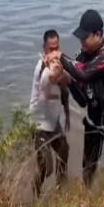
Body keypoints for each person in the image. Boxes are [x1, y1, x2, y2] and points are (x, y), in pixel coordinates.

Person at [44, 10, 104, 188]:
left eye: (84, 37)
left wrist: (60, 56)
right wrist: (66, 80)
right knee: (87, 169)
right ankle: (88, 199)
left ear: (98, 34)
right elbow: (82, 100)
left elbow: (83, 72)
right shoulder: (81, 58)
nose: (81, 42)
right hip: (93, 120)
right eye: (80, 38)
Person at [29, 30, 70, 198]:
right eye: (50, 49)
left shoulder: (58, 64)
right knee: (46, 167)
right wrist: (56, 69)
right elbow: (54, 78)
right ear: (44, 49)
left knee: (64, 151)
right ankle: (35, 194)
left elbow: (67, 84)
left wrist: (67, 114)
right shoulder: (42, 68)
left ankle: (61, 193)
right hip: (38, 124)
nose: (54, 53)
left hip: (54, 122)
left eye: (57, 48)